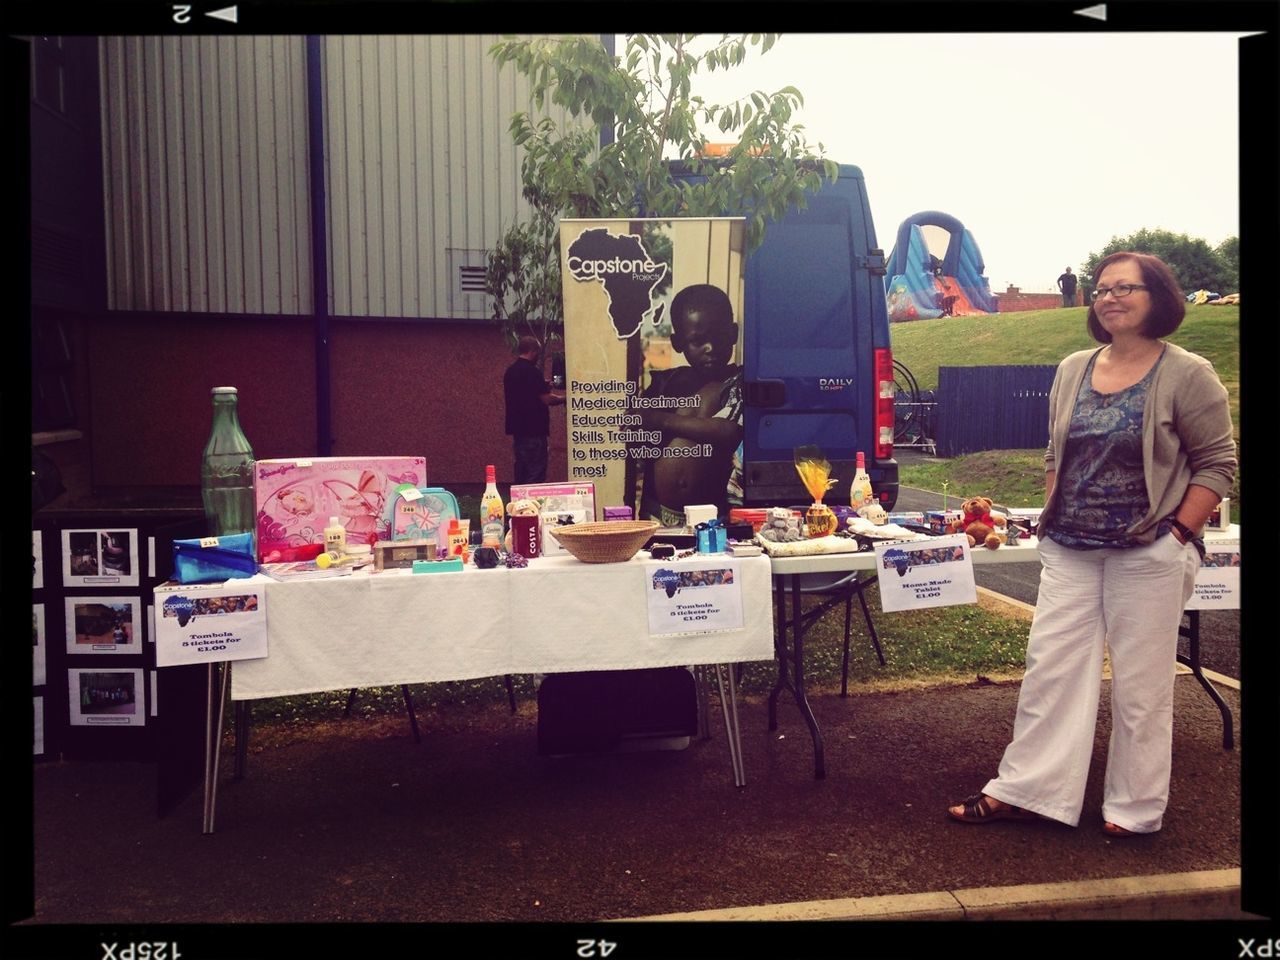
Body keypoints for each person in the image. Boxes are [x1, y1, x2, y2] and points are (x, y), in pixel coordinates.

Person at [946, 251, 1235, 837]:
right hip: (1071, 550)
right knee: (1049, 672)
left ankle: (1134, 810)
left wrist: (1177, 533)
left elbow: (1217, 464)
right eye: (1102, 288)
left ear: (1158, 296)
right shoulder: (1075, 367)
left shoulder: (1186, 373)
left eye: (1126, 287)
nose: (1110, 297)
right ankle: (1029, 791)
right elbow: (1057, 452)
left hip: (1148, 552)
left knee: (1142, 686)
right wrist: (1051, 513)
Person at [636, 284, 743, 527]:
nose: (711, 349)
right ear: (678, 342)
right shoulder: (666, 383)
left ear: (733, 334)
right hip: (656, 515)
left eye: (719, 337)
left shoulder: (735, 382)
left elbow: (728, 431)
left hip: (712, 520)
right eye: (697, 341)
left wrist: (660, 420)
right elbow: (640, 429)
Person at [503, 336, 564, 485]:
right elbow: (547, 399)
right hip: (535, 432)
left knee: (521, 473)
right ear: (532, 351)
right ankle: (532, 505)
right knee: (536, 474)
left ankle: (519, 505)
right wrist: (566, 398)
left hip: (518, 433)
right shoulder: (533, 372)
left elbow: (524, 392)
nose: (538, 355)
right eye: (538, 351)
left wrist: (541, 385)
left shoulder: (510, 372)